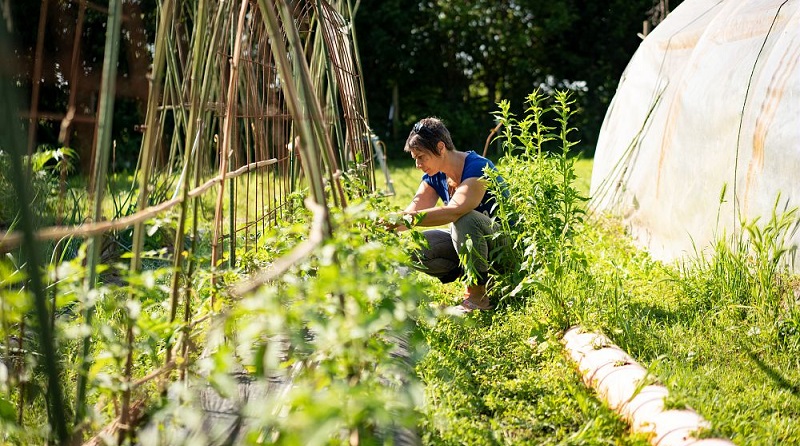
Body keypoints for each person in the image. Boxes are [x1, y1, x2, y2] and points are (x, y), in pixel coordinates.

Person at [393, 117, 506, 312]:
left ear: (440, 147)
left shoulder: (477, 167)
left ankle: (478, 296)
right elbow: (414, 209)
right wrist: (388, 224)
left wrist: (408, 219)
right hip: (474, 246)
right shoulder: (434, 175)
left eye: (421, 157)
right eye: (415, 159)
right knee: (410, 247)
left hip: (505, 248)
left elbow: (455, 210)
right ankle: (478, 278)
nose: (417, 164)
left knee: (465, 218)